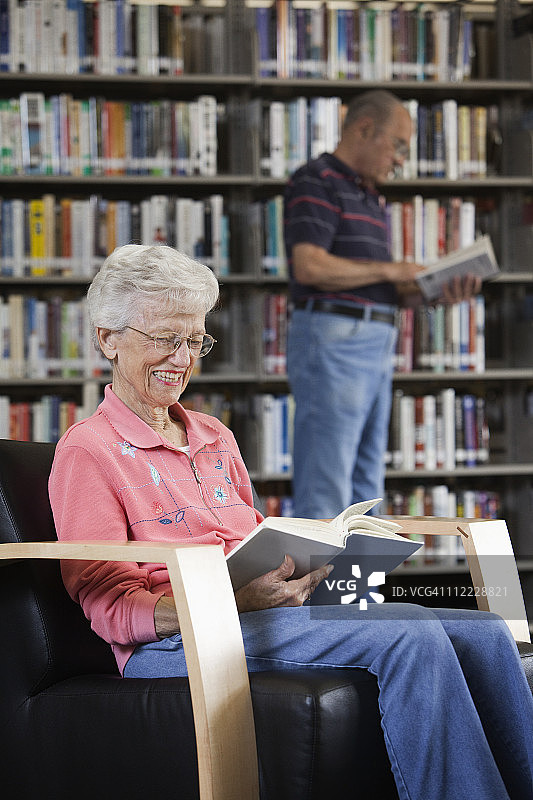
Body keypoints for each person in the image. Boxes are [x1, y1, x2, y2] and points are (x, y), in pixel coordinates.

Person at [48, 244, 532, 800]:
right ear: (107, 338)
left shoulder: (214, 437)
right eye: (163, 338)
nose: (180, 358)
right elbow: (107, 604)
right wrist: (230, 601)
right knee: (412, 636)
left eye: (193, 341)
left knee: (487, 632)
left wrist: (317, 557)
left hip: (268, 615)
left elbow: (252, 540)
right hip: (180, 641)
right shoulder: (88, 451)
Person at [284, 89, 480, 519]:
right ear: (365, 130)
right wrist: (393, 270)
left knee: (366, 487)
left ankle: (360, 590)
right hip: (335, 339)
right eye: (398, 145)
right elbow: (310, 266)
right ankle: (322, 590)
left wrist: (435, 290)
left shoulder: (372, 198)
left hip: (376, 340)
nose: (401, 159)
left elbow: (377, 285)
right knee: (328, 482)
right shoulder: (315, 180)